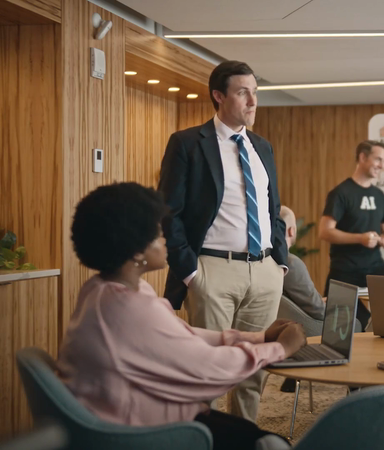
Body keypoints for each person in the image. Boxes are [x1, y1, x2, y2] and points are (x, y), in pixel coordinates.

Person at [59, 183, 307, 450]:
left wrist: (259, 337)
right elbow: (209, 370)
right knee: (272, 444)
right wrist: (281, 348)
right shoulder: (128, 309)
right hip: (141, 434)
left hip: (138, 417)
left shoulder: (103, 290)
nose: (166, 238)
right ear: (136, 251)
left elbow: (183, 335)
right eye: (158, 233)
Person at [158, 60, 289, 422]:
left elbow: (273, 208)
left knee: (254, 370)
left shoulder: (262, 147)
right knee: (208, 371)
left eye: (255, 93)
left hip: (264, 271)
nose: (253, 101)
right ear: (218, 96)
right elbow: (168, 211)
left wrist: (279, 263)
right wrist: (190, 273)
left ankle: (244, 438)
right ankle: (203, 439)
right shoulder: (187, 143)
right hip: (212, 269)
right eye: (243, 93)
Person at [319, 140, 384, 330]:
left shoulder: (379, 195)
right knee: (342, 327)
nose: (382, 165)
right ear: (362, 157)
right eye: (378, 159)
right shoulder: (341, 193)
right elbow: (325, 231)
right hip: (345, 270)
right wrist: (360, 238)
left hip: (375, 266)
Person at [278, 206, 327, 393]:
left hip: (282, 327)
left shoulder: (262, 261)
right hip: (308, 329)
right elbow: (318, 310)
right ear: (292, 230)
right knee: (356, 323)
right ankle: (355, 387)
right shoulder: (291, 263)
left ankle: (291, 380)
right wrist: (328, 305)